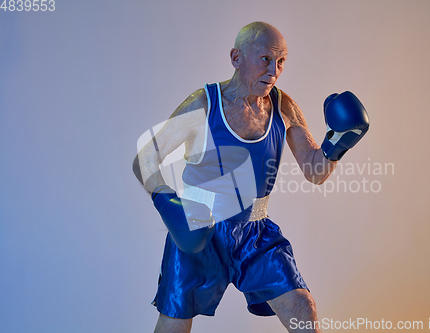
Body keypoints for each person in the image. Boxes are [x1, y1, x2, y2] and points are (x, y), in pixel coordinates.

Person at [133, 21, 369, 333]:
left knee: (302, 306)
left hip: (255, 232)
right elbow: (146, 157)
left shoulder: (284, 106)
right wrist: (167, 201)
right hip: (200, 227)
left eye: (281, 61)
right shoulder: (205, 103)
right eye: (265, 59)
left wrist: (338, 142)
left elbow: (315, 171)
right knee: (174, 322)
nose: (274, 71)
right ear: (236, 58)